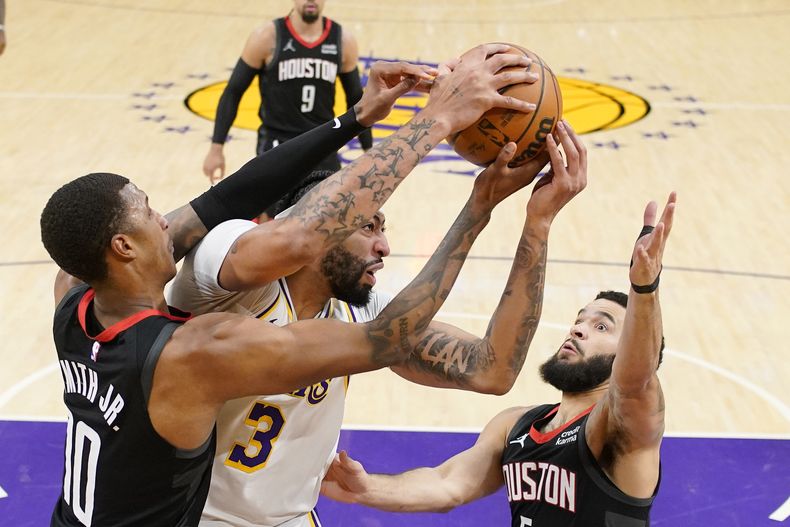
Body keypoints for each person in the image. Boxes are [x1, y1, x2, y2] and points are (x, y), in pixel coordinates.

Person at [41, 45, 538, 526]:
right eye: (368, 224)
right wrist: (441, 129)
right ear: (124, 248)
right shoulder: (201, 330)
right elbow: (301, 247)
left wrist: (357, 118)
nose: (167, 221)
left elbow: (225, 196)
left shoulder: (75, 296)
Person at [168, 119, 587, 527]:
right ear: (322, 226)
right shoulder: (224, 277)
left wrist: (536, 223)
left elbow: (491, 369)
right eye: (369, 225)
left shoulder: (361, 314)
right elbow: (287, 239)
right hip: (193, 516)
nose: (384, 246)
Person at [321, 192, 677, 526]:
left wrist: (644, 289)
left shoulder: (623, 425)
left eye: (602, 326)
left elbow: (635, 382)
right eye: (580, 320)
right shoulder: (515, 424)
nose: (578, 330)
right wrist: (368, 488)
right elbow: (449, 484)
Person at [203, 0, 373, 196]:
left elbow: (356, 100)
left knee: (329, 217)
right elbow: (233, 92)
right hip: (277, 143)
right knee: (272, 218)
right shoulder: (267, 37)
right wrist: (216, 147)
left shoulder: (342, 40)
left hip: (322, 142)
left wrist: (368, 150)